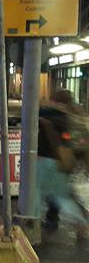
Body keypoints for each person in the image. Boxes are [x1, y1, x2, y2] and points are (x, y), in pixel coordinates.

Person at [37, 89, 87, 240]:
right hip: (57, 161)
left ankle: (81, 221)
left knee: (56, 195)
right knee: (48, 192)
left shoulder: (53, 116)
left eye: (52, 100)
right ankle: (46, 220)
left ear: (56, 101)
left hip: (49, 161)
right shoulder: (66, 116)